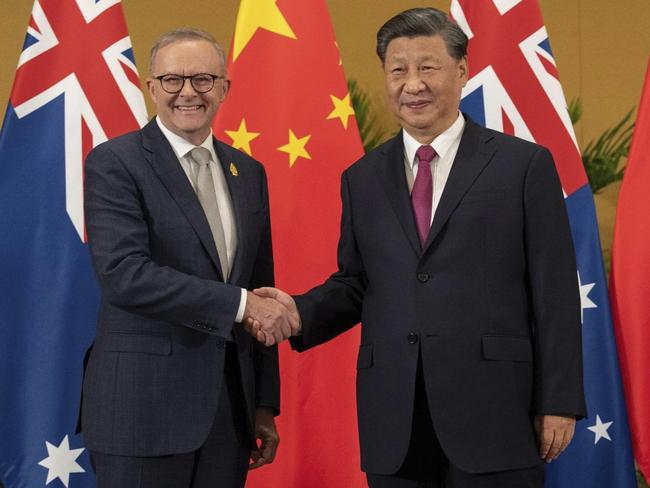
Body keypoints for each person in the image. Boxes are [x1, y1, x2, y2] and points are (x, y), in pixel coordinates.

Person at [250, 7, 585, 488]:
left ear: (462, 70)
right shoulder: (362, 178)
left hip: (495, 411)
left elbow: (553, 291)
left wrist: (559, 400)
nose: (413, 84)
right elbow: (358, 282)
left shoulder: (522, 165)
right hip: (395, 415)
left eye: (428, 67)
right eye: (398, 69)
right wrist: (299, 312)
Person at [80, 28, 298, 488]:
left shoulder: (248, 173)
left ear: (223, 88)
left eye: (202, 79)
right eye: (173, 80)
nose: (188, 93)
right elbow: (125, 275)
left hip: (228, 414)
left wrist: (262, 404)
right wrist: (239, 305)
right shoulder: (115, 162)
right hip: (140, 410)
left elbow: (261, 286)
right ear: (151, 87)